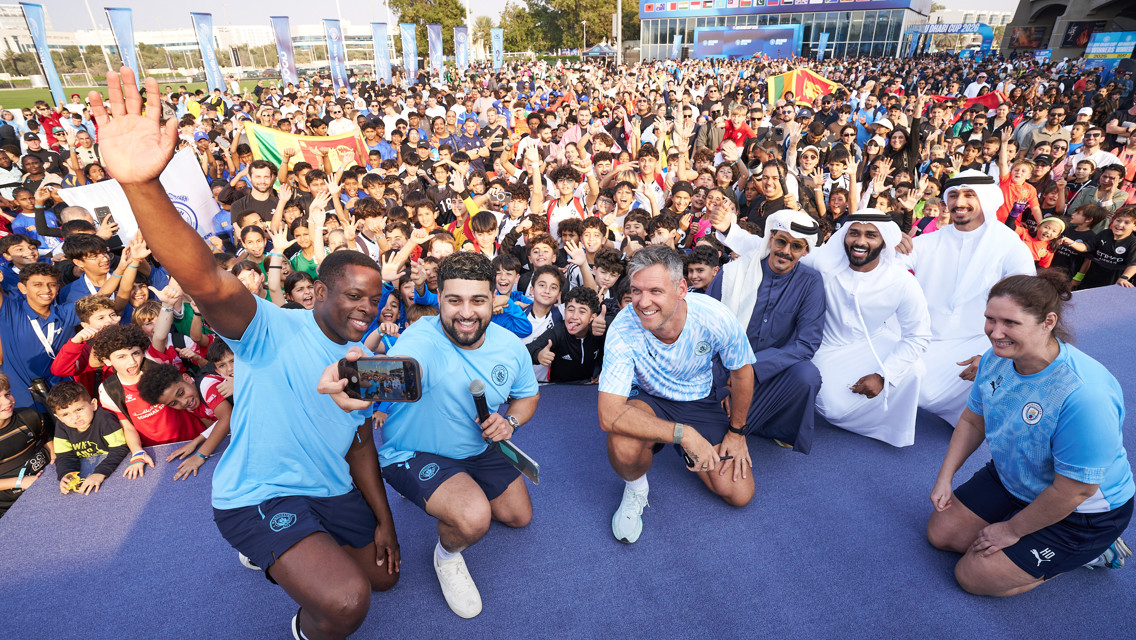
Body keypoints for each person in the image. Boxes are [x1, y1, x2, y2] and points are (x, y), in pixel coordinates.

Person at [90, 69, 400, 640]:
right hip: (259, 491)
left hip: (330, 486)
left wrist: (386, 521)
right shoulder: (268, 328)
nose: (365, 307)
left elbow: (361, 444)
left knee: (383, 578)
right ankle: (295, 606)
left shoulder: (369, 360)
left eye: (374, 298)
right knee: (348, 602)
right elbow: (205, 280)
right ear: (320, 289)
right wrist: (140, 185)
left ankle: (301, 548)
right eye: (353, 294)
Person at [927, 272, 1133, 596]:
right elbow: (971, 422)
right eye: (990, 320)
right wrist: (944, 478)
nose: (996, 333)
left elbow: (1074, 491)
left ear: (1048, 322)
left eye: (1010, 322)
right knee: (942, 535)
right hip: (1017, 478)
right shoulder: (994, 359)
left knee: (973, 575)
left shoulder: (1085, 393)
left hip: (1082, 511)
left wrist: (1010, 530)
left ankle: (1092, 550)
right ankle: (1023, 525)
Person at [365, 252, 540, 619]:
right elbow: (407, 367)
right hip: (415, 450)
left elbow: (528, 395)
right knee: (473, 519)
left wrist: (510, 422)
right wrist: (362, 377)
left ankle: (457, 490)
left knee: (519, 515)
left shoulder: (510, 347)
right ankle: (447, 557)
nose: (466, 313)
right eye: (454, 300)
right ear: (438, 298)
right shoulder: (421, 336)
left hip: (480, 445)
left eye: (477, 300)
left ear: (495, 298)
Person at [598, 245, 757, 545]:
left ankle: (685, 441)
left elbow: (742, 372)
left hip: (699, 399)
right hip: (650, 399)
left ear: (681, 288)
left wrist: (737, 432)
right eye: (636, 291)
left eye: (655, 291)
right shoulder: (622, 327)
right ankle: (636, 489)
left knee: (739, 493)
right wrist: (684, 435)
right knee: (622, 444)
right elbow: (609, 414)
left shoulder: (714, 315)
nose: (643, 303)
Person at [899, 170, 1035, 426]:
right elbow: (886, 271)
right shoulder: (927, 242)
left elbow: (1027, 307)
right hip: (926, 336)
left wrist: (992, 356)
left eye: (969, 195)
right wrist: (890, 245)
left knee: (924, 391)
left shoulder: (1010, 246)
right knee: (892, 377)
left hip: (980, 341)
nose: (959, 202)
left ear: (987, 199)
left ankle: (985, 404)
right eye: (953, 195)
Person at [808, 210, 931, 447]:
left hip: (872, 341)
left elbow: (918, 336)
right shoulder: (824, 263)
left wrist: (884, 375)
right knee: (832, 408)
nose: (860, 241)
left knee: (915, 370)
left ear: (884, 242)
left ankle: (891, 429)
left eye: (871, 235)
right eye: (854, 233)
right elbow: (780, 249)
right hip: (827, 347)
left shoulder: (901, 281)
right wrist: (729, 231)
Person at [707, 207, 826, 453]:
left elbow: (807, 342)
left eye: (796, 246)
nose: (785, 251)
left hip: (768, 374)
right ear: (771, 240)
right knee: (707, 444)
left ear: (805, 251)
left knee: (807, 376)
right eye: (781, 241)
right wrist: (724, 381)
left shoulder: (811, 283)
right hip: (723, 373)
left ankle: (774, 427)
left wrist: (751, 368)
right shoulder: (733, 274)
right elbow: (707, 329)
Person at [47, 381, 128, 495]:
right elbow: (64, 456)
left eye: (79, 409)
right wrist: (67, 473)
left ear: (93, 404)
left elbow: (120, 449)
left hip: (117, 471)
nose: (75, 417)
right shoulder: (62, 427)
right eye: (66, 414)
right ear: (58, 418)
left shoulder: (105, 419)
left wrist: (100, 473)